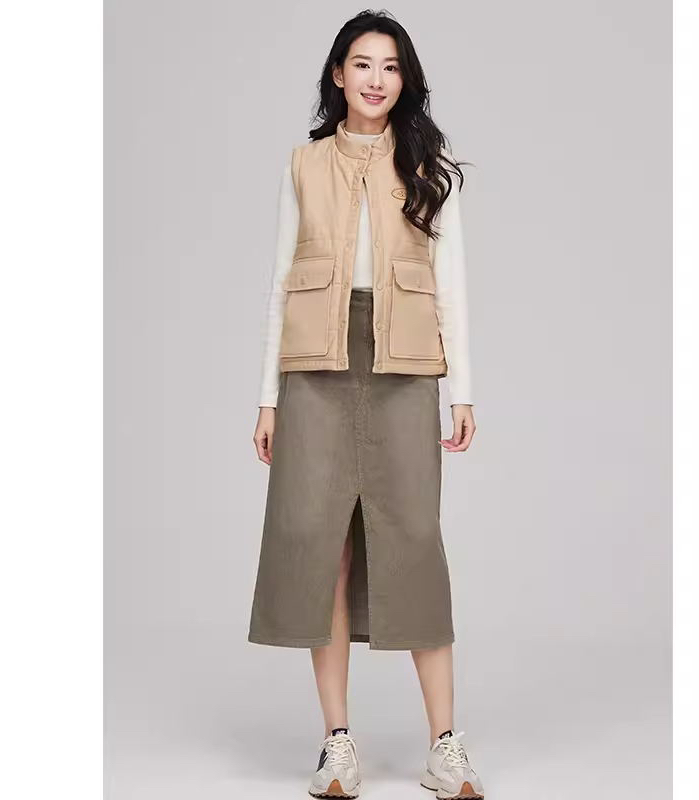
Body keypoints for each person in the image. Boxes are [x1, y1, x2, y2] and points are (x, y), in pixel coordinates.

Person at [247, 10, 483, 800]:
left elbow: (452, 286)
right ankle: (337, 744)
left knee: (414, 539)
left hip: (404, 367)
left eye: (390, 66)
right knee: (323, 547)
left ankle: (445, 746)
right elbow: (280, 284)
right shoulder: (304, 165)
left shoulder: (431, 168)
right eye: (362, 64)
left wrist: (462, 389)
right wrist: (266, 398)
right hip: (315, 368)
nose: (376, 79)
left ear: (404, 80)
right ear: (338, 75)